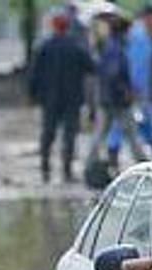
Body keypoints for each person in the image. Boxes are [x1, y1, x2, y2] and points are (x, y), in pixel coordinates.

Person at [28, 13, 94, 183]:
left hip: (49, 98)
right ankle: (67, 171)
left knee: (48, 133)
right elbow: (91, 67)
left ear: (53, 26)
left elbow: (34, 72)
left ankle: (45, 169)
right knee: (69, 135)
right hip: (72, 99)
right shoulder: (76, 47)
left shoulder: (44, 46)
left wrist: (32, 94)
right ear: (67, 27)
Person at [88, 17, 147, 173]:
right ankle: (143, 164)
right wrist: (126, 91)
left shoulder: (110, 46)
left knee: (101, 133)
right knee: (131, 132)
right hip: (118, 99)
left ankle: (90, 163)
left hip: (107, 98)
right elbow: (114, 74)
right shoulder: (117, 48)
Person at [125, 5, 152, 159]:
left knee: (141, 119)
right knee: (134, 120)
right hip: (137, 87)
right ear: (150, 18)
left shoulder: (142, 35)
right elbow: (137, 64)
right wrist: (136, 87)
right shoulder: (140, 36)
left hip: (139, 87)